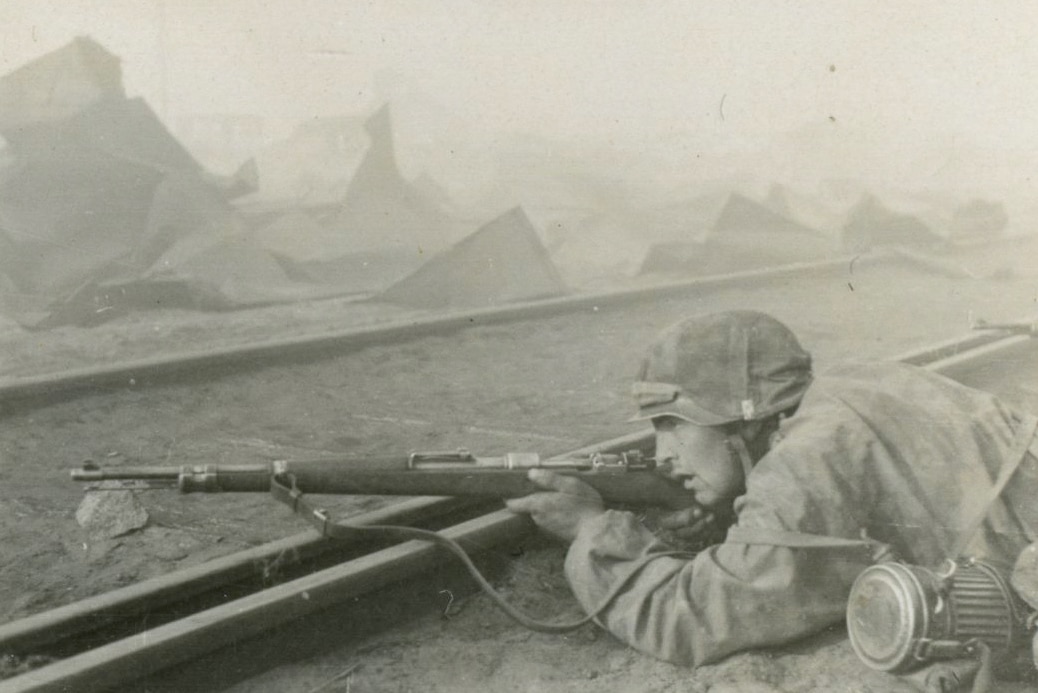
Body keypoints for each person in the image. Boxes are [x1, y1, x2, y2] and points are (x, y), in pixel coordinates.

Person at [505, 310, 1038, 671]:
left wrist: (591, 529)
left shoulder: (806, 464)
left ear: (745, 419)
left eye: (673, 425)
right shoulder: (849, 388)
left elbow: (691, 618)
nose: (663, 454)